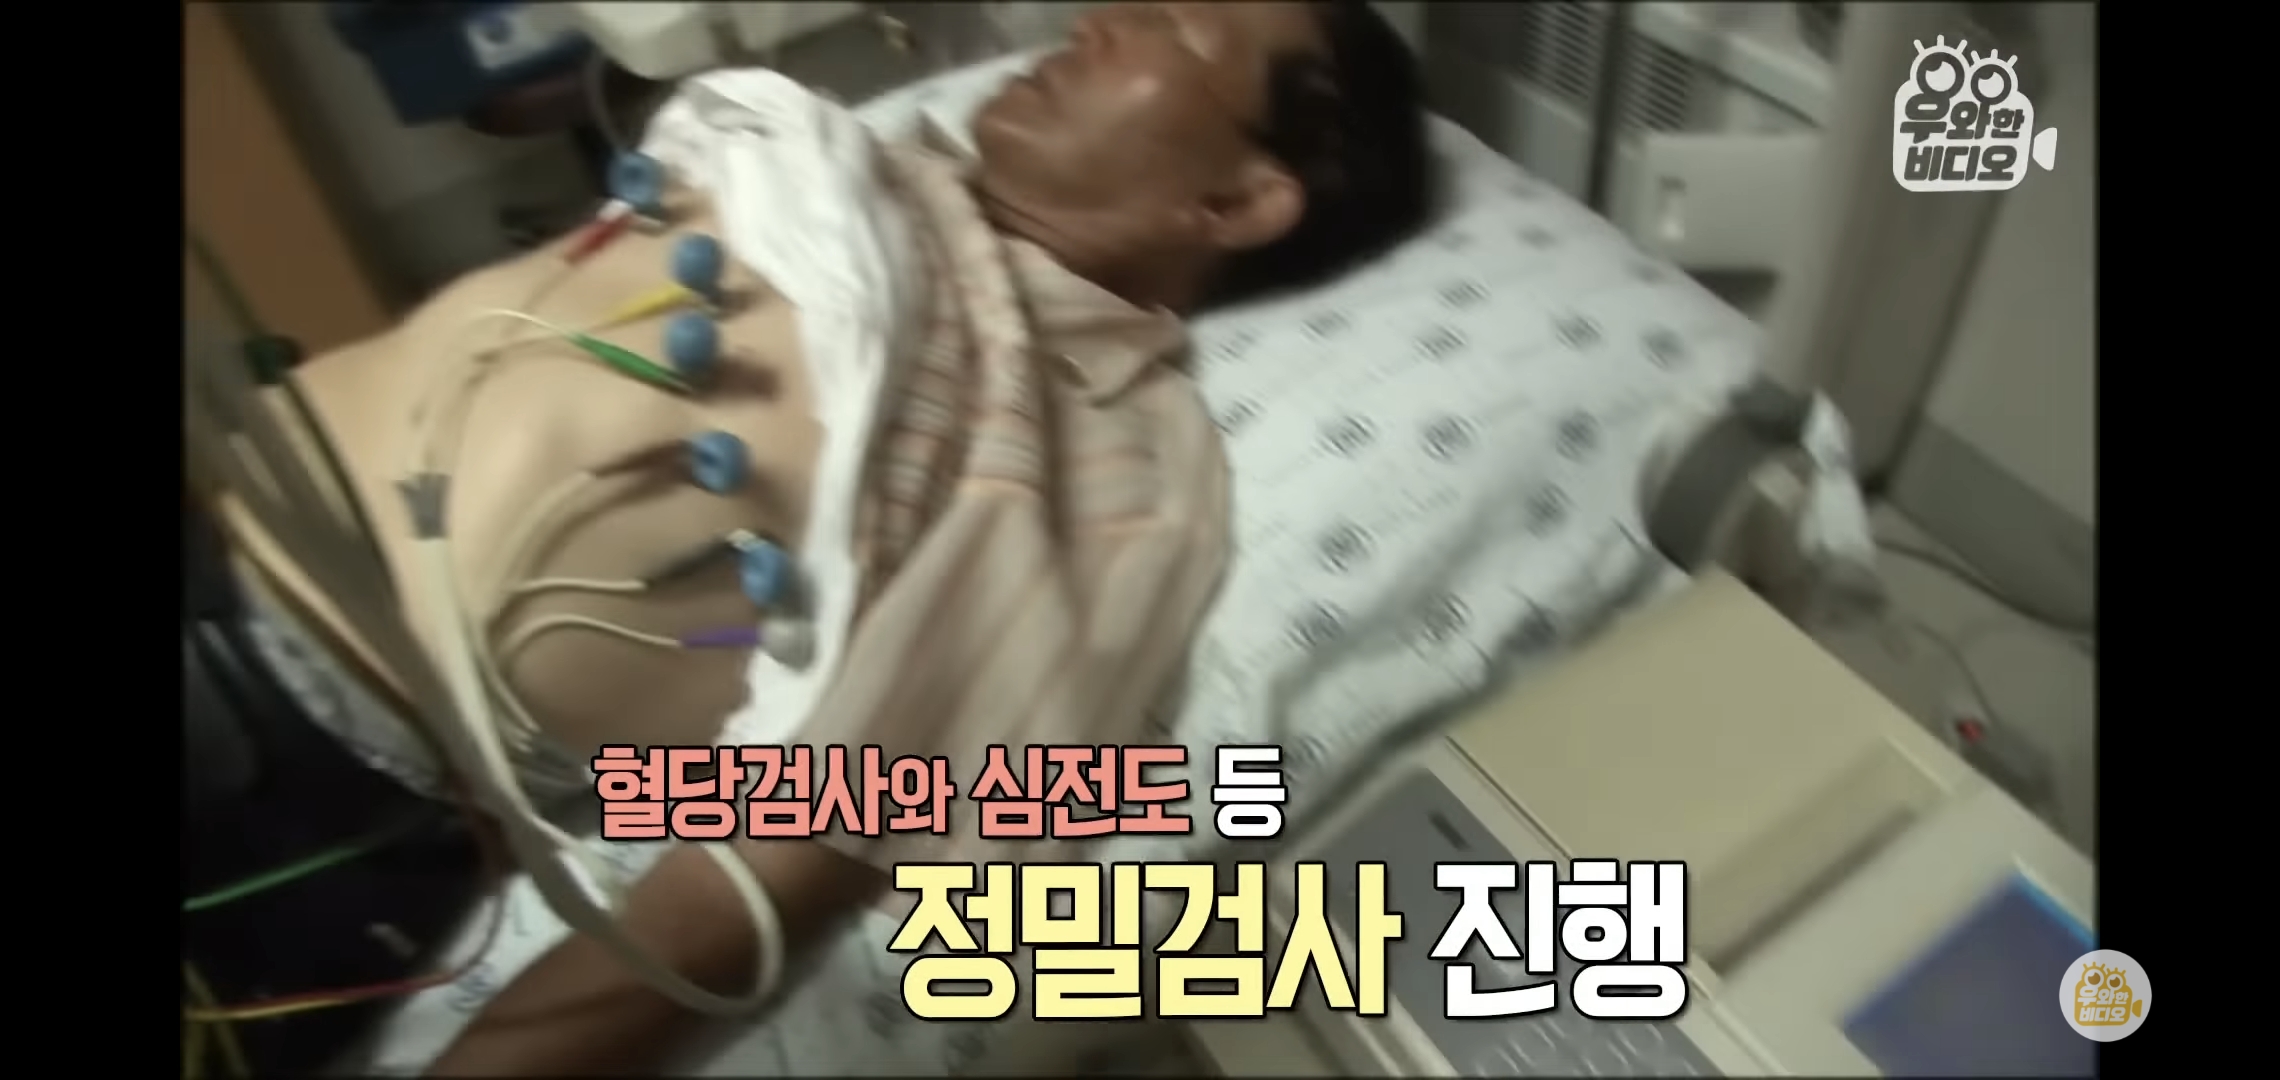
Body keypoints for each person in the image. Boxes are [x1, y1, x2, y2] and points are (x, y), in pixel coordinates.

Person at [212, 3, 1428, 1075]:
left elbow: (781, 868)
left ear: (1240, 198)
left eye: (1175, 27)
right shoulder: (835, 159)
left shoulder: (1110, 462)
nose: (1099, 20)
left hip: (318, 782)